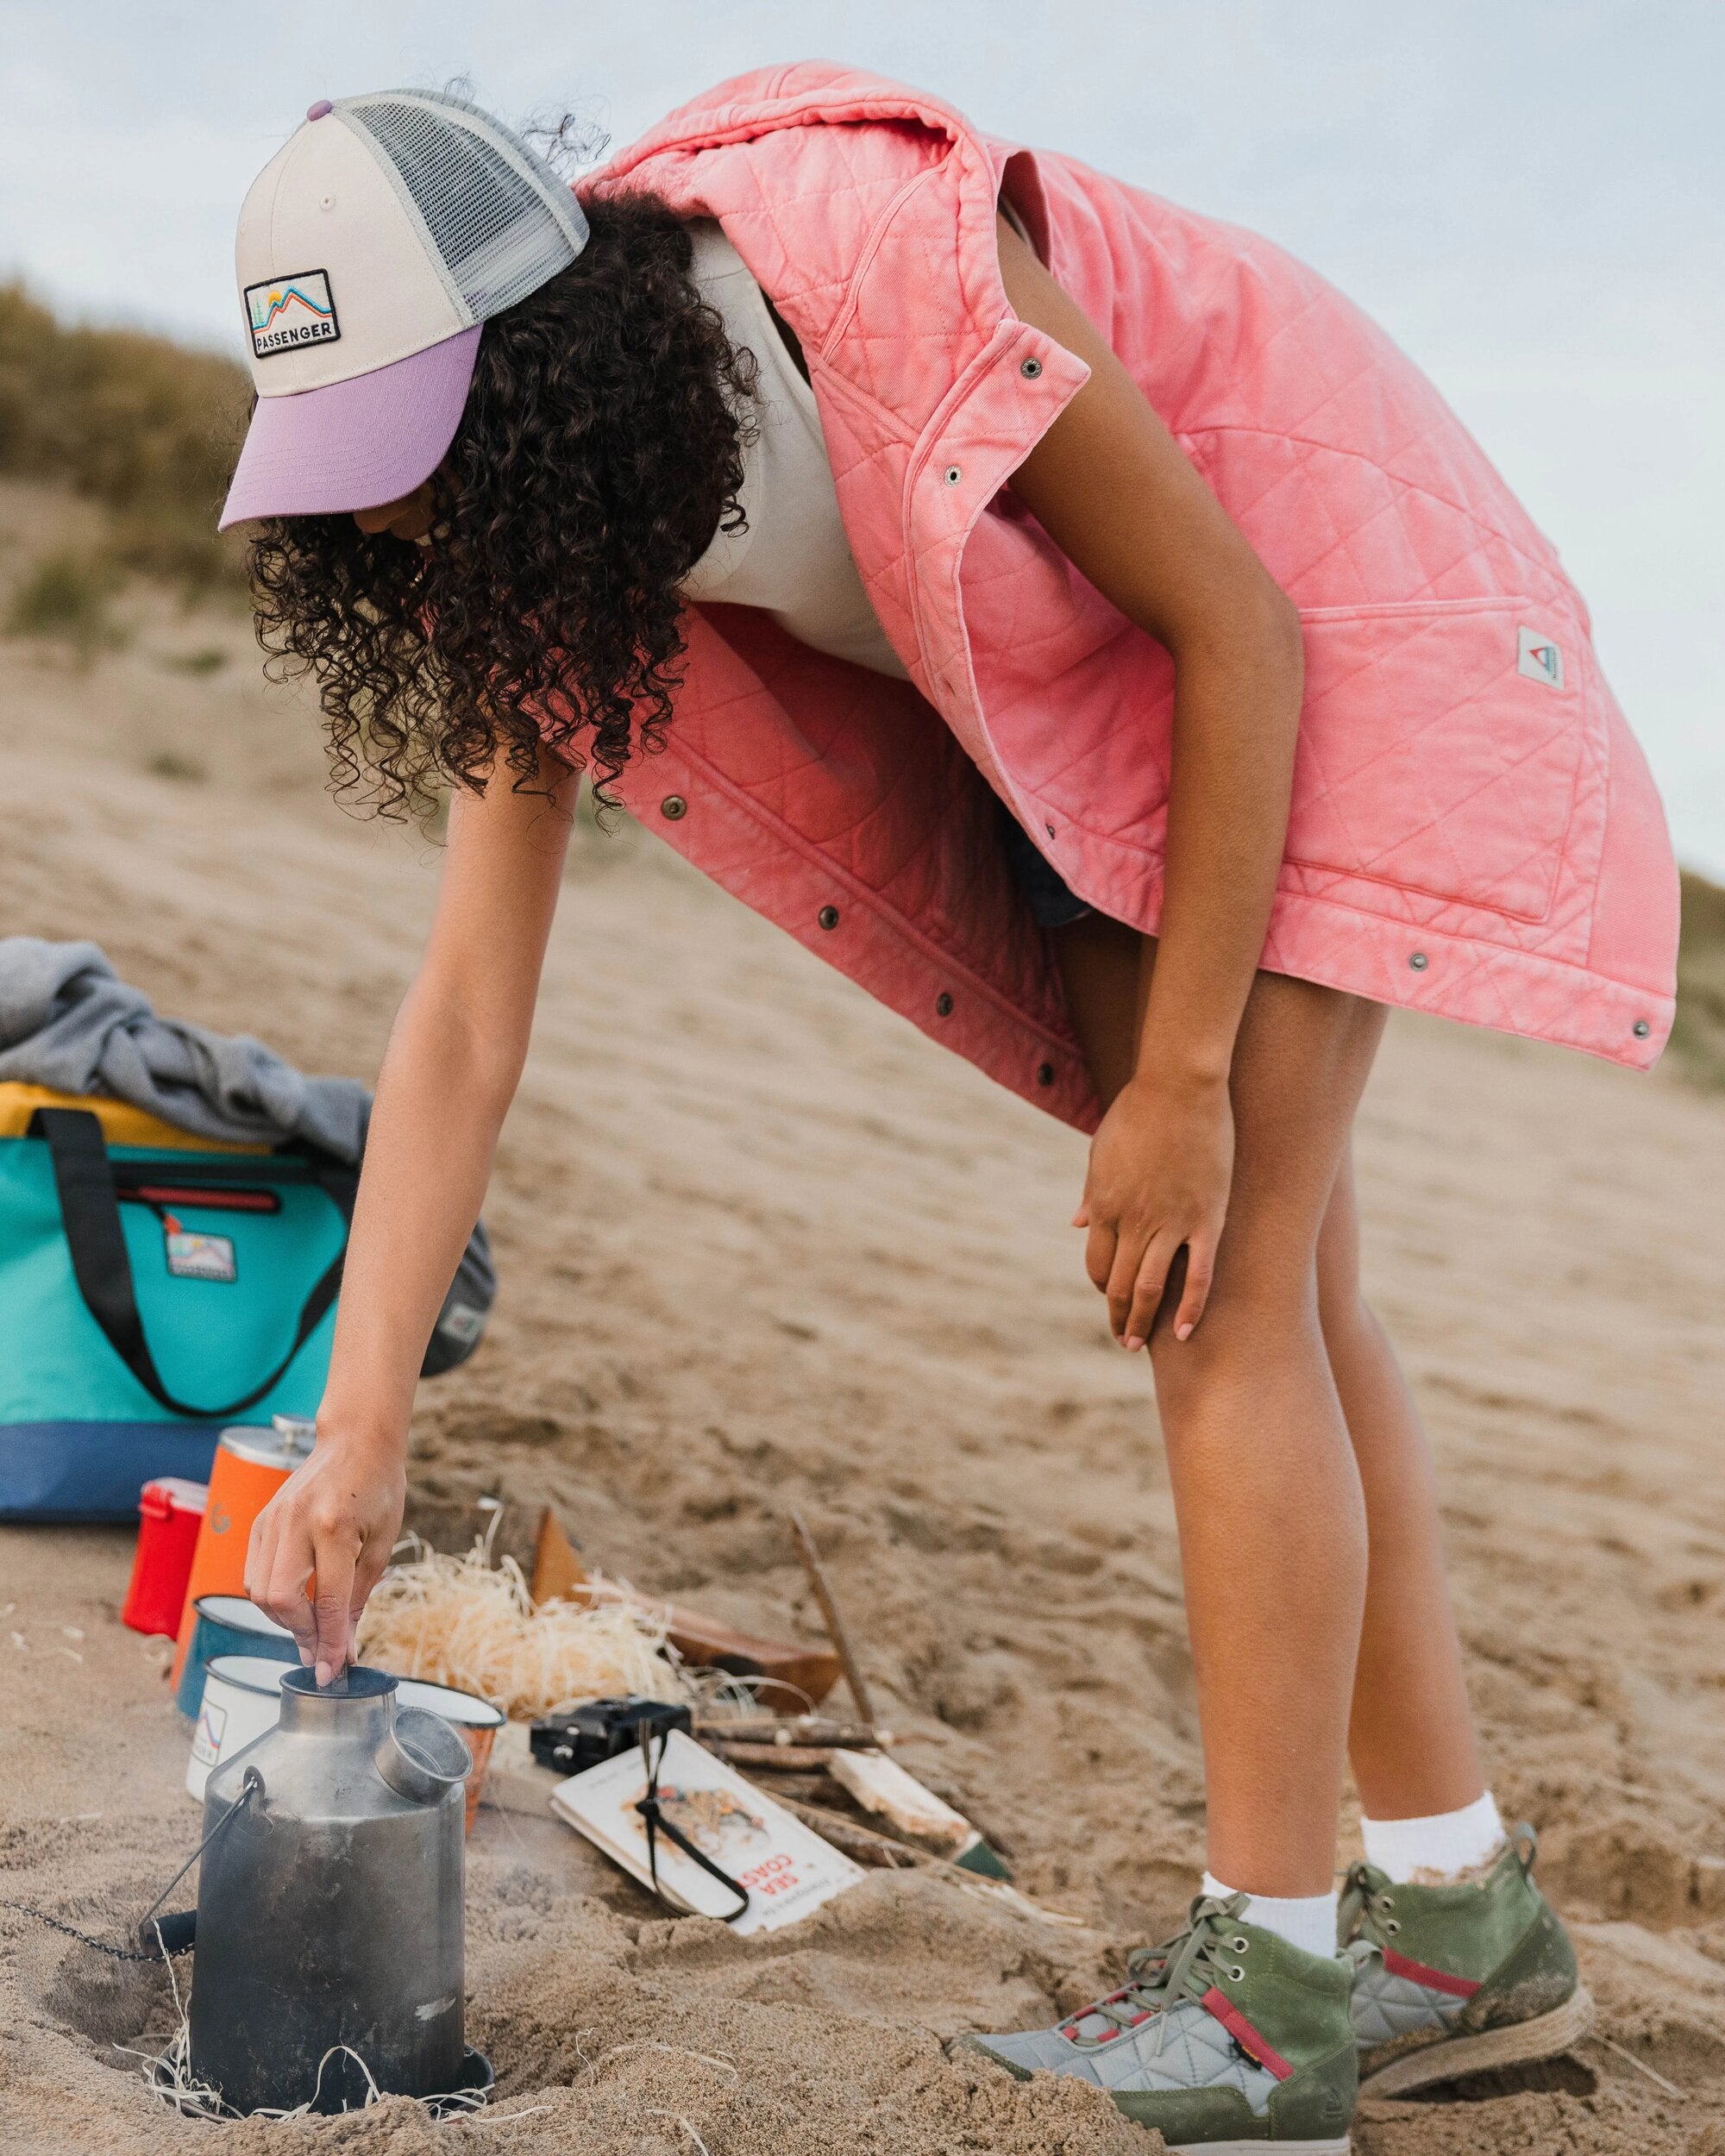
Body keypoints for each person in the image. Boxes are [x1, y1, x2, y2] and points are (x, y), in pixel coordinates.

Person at [227, 74, 1674, 2152]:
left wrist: (1178, 1080)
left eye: (404, 446)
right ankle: (1462, 1916)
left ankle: (1271, 2013)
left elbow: (1240, 625)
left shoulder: (869, 273)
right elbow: (464, 1010)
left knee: (1214, 1279)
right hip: (1100, 703)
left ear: (531, 364)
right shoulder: (529, 529)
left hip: (1313, 601)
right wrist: (359, 1434)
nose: (381, 516)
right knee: (1284, 1285)